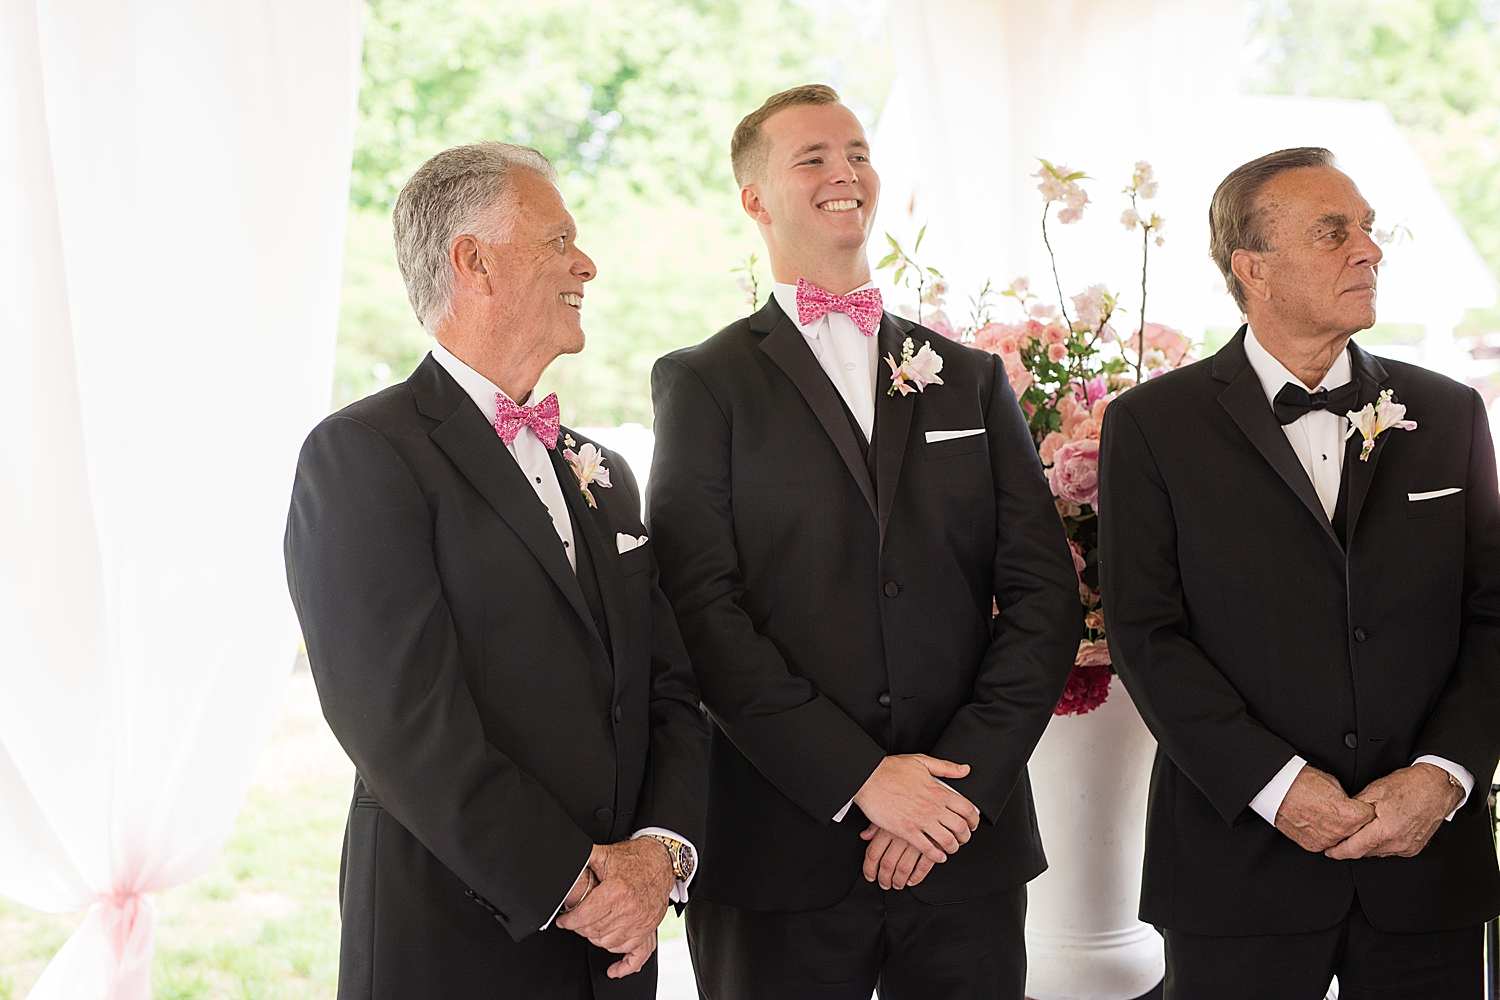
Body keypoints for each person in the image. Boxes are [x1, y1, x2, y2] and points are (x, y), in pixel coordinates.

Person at [647, 84, 1081, 999]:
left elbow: (1044, 597)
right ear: (754, 198)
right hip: (780, 853)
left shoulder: (967, 379)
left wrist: (954, 793)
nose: (845, 172)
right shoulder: (703, 382)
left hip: (968, 850)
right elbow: (700, 609)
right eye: (812, 157)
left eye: (856, 152)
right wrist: (862, 782)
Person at [283, 142, 709, 999]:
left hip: (617, 951)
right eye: (559, 240)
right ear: (472, 261)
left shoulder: (603, 472)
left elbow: (670, 687)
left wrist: (658, 857)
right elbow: (403, 725)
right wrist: (580, 883)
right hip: (454, 943)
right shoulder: (363, 455)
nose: (586, 262)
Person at [1099, 146, 1500, 999]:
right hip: (1234, 863)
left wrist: (1444, 776)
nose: (1369, 249)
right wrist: (1275, 788)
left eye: (1366, 228)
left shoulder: (1452, 413)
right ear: (1255, 270)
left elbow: (1492, 616)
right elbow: (1147, 635)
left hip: (1426, 865)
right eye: (1333, 232)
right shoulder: (1149, 427)